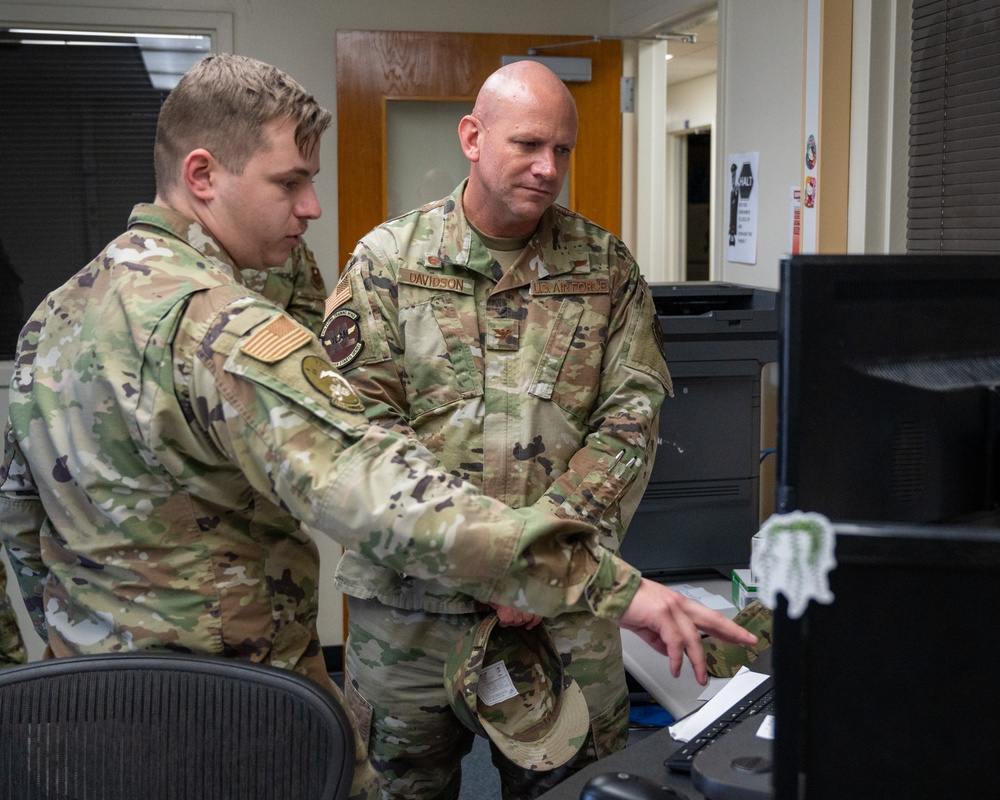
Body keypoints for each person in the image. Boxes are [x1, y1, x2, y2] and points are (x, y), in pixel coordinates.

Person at [0, 54, 754, 800]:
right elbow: (371, 478)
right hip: (238, 706)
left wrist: (58, 665)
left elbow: (21, 519)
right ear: (202, 176)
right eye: (290, 183)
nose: (312, 209)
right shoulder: (224, 326)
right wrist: (602, 583)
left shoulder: (55, 314)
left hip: (91, 713)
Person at [326, 60, 681, 799]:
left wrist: (538, 560)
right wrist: (499, 563)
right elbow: (363, 437)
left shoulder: (606, 268)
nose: (548, 168)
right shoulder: (388, 263)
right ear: (472, 137)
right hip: (409, 615)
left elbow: (631, 421)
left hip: (561, 610)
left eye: (562, 150)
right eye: (527, 144)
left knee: (580, 791)